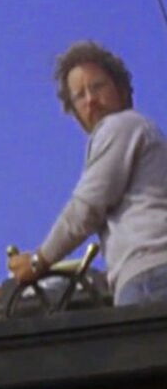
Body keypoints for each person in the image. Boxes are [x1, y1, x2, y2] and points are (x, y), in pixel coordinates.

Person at [9, 41, 167, 307]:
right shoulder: (143, 132)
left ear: (120, 89)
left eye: (97, 86)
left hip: (151, 275)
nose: (90, 100)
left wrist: (38, 261)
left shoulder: (122, 125)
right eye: (80, 95)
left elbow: (86, 207)